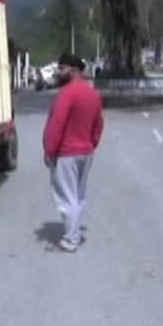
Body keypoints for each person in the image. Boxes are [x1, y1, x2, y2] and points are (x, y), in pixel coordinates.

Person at [42, 53, 104, 253]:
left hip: (66, 153)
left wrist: (49, 151)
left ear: (74, 70)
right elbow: (99, 124)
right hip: (86, 152)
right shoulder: (91, 93)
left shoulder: (66, 94)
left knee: (66, 197)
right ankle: (74, 234)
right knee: (78, 196)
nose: (58, 72)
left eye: (62, 68)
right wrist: (91, 144)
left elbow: (56, 125)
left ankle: (70, 239)